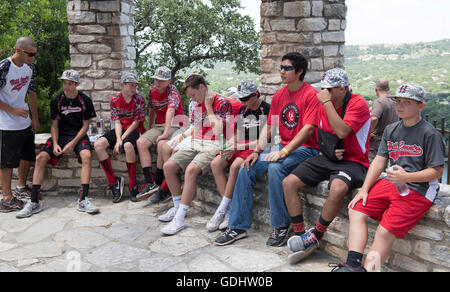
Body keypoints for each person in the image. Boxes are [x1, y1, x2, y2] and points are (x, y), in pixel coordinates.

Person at [332, 83, 445, 272]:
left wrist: (407, 177)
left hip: (419, 188)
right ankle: (352, 265)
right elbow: (378, 161)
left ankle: (369, 270)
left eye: (407, 102)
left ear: (421, 106)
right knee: (356, 209)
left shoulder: (429, 133)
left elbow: (437, 171)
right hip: (394, 182)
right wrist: (365, 190)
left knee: (384, 232)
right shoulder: (392, 129)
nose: (400, 106)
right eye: (397, 101)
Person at [214, 52, 321, 247]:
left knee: (275, 168)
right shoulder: (280, 95)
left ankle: (281, 225)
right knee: (246, 167)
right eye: (281, 67)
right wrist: (256, 151)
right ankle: (237, 226)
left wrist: (284, 152)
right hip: (284, 146)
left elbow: (308, 130)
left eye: (287, 68)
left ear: (299, 71)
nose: (282, 71)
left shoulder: (310, 94)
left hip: (307, 149)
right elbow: (270, 127)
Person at [283, 68, 371, 264]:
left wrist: (327, 103)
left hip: (354, 161)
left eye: (328, 89)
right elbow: (321, 134)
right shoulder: (324, 103)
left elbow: (342, 132)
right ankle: (301, 235)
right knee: (289, 182)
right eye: (322, 89)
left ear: (342, 88)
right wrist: (330, 151)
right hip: (328, 157)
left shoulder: (358, 103)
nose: (324, 93)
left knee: (338, 187)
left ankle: (316, 234)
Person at [16, 70, 99, 218]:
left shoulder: (85, 100)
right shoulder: (57, 100)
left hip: (78, 136)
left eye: (70, 84)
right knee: (40, 158)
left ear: (77, 84)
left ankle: (83, 199)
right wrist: (55, 144)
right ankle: (34, 202)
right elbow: (54, 125)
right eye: (64, 83)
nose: (66, 86)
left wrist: (73, 143)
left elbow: (86, 126)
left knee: (86, 155)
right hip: (60, 136)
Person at [160, 74, 232, 235]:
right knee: (169, 166)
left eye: (193, 95)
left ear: (201, 87)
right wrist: (184, 138)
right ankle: (177, 206)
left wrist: (208, 106)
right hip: (198, 141)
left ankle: (179, 219)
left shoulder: (222, 103)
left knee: (191, 170)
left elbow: (219, 130)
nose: (192, 99)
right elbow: (197, 128)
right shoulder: (194, 104)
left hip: (215, 142)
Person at [208, 80, 270, 232]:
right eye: (240, 99)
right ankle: (228, 208)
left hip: (255, 146)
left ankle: (223, 210)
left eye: (245, 99)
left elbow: (265, 140)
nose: (242, 102)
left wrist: (237, 147)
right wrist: (229, 146)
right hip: (241, 143)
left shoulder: (266, 109)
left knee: (236, 166)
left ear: (255, 94)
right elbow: (237, 134)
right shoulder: (243, 110)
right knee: (216, 163)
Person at [0, 36, 39, 212]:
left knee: (27, 155)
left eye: (34, 54)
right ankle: (6, 198)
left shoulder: (29, 68)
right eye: (30, 54)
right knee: (6, 162)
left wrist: (35, 118)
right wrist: (12, 110)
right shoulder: (4, 67)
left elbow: (31, 93)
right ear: (18, 50)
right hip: (6, 123)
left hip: (23, 121)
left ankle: (21, 187)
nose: (33, 57)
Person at [94, 72, 146, 203]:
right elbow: (117, 122)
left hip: (134, 129)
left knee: (128, 146)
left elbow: (136, 123)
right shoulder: (115, 100)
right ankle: (114, 182)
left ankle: (133, 184)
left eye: (135, 86)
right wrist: (118, 139)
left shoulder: (139, 99)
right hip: (120, 129)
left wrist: (121, 140)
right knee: (98, 145)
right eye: (130, 86)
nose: (134, 89)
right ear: (122, 85)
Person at [136, 66, 185, 202]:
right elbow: (151, 109)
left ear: (169, 81)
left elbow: (170, 111)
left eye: (162, 81)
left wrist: (165, 133)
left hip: (176, 123)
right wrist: (149, 126)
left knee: (162, 144)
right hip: (159, 124)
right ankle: (150, 183)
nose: (158, 83)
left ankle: (161, 184)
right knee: (141, 142)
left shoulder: (172, 90)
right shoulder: (152, 90)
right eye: (156, 79)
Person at [369, 78, 398, 161]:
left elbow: (374, 118)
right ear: (388, 89)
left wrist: (369, 133)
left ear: (376, 89)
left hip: (377, 143)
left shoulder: (379, 102)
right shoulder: (395, 101)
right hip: (392, 142)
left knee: (374, 169)